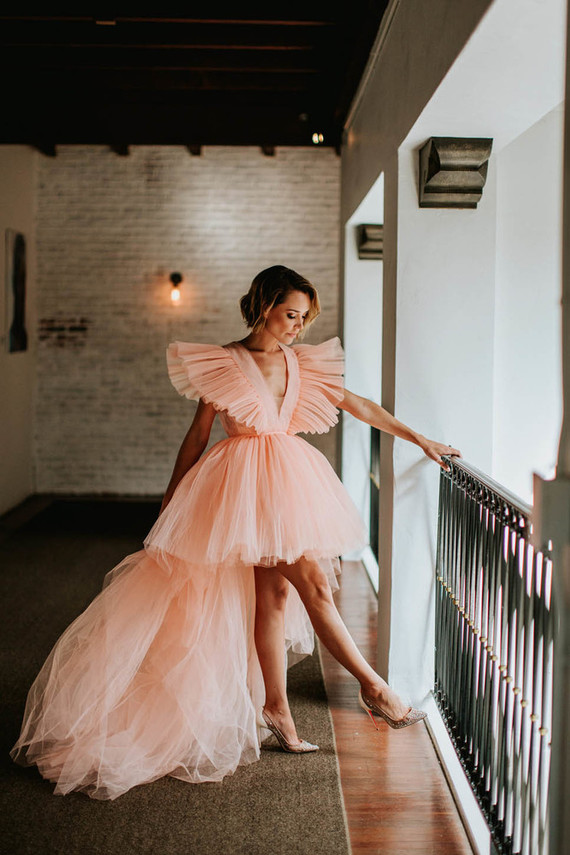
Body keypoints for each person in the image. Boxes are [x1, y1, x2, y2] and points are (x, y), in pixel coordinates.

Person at [10, 264, 461, 800]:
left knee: (271, 598)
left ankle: (277, 706)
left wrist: (421, 439)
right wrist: (171, 502)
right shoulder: (223, 362)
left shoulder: (304, 363)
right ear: (265, 305)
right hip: (239, 489)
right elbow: (197, 437)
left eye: (304, 317)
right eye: (291, 314)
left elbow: (359, 405)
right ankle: (375, 689)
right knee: (314, 587)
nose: (298, 326)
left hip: (289, 485)